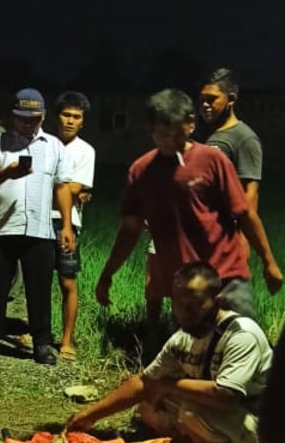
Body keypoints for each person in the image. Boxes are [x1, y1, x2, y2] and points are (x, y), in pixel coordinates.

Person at [68, 262, 279, 443]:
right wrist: (89, 415)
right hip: (238, 422)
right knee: (150, 406)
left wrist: (169, 384)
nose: (185, 313)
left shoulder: (242, 335)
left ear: (217, 300)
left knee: (192, 410)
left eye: (194, 305)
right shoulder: (184, 337)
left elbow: (225, 396)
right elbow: (144, 382)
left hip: (268, 433)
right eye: (179, 304)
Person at [96, 89, 282, 318]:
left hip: (225, 273)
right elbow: (130, 229)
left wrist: (268, 262)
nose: (169, 141)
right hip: (184, 281)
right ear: (151, 130)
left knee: (241, 341)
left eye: (175, 134)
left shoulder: (212, 160)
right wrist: (107, 275)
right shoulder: (141, 171)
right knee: (196, 348)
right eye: (161, 135)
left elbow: (244, 213)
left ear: (190, 124)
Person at [0, 88, 75, 365]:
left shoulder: (53, 145)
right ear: (13, 116)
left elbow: (62, 185)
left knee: (39, 289)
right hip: (3, 228)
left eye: (33, 118)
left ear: (43, 116)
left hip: (40, 230)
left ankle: (41, 343)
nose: (27, 123)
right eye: (21, 118)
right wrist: (7, 173)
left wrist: (66, 225)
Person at [53, 89, 95, 360]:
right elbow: (68, 189)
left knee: (67, 280)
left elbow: (77, 186)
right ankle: (39, 332)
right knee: (37, 280)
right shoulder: (44, 143)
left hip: (67, 223)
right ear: (56, 117)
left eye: (76, 117)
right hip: (34, 220)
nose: (70, 121)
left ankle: (67, 339)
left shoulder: (85, 151)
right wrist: (66, 189)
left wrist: (66, 189)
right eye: (66, 114)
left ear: (82, 121)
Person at [199, 68, 263, 214]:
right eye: (202, 100)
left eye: (211, 99)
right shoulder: (204, 134)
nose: (205, 105)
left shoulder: (244, 138)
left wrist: (244, 235)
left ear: (231, 99)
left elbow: (249, 196)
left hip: (227, 229)